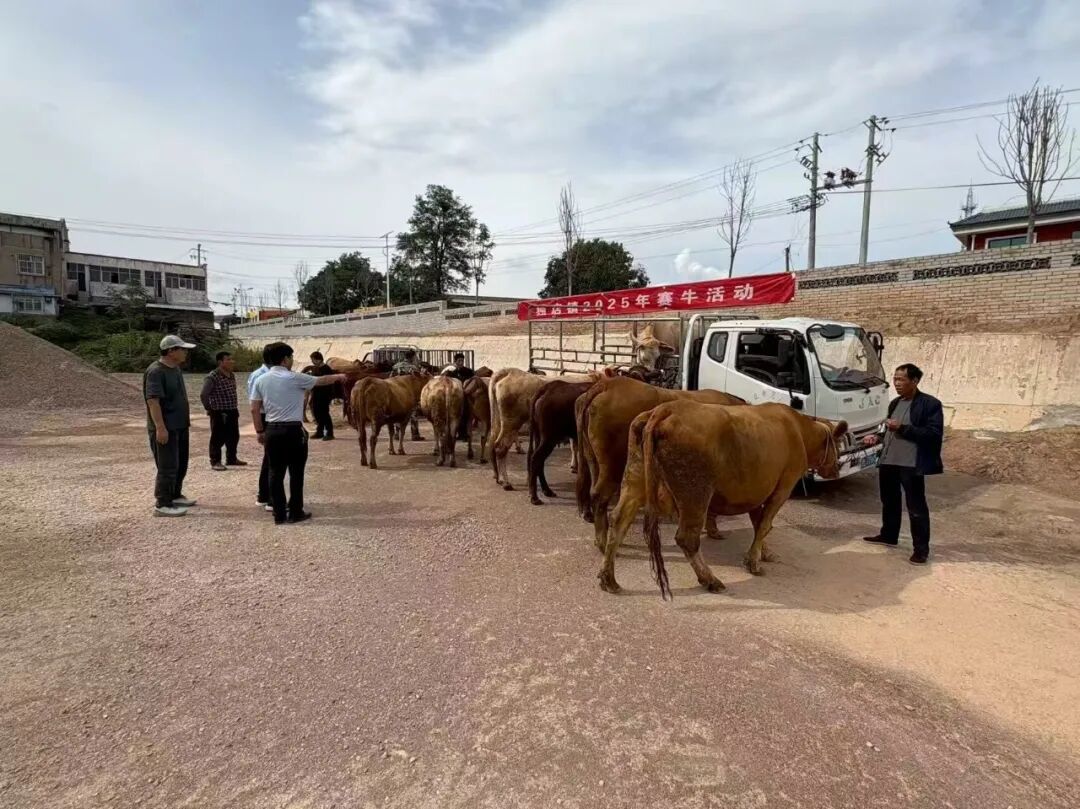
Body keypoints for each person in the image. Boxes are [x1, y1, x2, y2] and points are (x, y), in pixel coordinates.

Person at [250, 342, 346, 525]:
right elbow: (321, 380)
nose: (292, 360)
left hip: (272, 430)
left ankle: (279, 514)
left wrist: (260, 431)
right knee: (296, 473)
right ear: (285, 359)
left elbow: (254, 409)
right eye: (291, 357)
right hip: (293, 431)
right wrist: (339, 376)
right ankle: (295, 512)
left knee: (275, 473)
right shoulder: (295, 378)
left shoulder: (260, 380)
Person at [862, 363, 944, 565]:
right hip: (889, 460)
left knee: (916, 507)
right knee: (889, 501)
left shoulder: (930, 404)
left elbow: (933, 434)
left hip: (911, 464)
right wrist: (877, 437)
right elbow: (889, 430)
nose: (896, 383)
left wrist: (903, 428)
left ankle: (921, 550)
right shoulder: (895, 403)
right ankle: (889, 536)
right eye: (895, 379)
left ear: (914, 381)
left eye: (901, 379)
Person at [144, 335, 197, 517]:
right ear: (171, 351)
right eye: (182, 349)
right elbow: (153, 401)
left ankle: (175, 494)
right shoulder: (156, 372)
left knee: (180, 463)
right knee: (167, 466)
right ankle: (163, 503)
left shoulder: (175, 369)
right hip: (166, 427)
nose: (185, 353)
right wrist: (160, 427)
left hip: (180, 425)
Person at [200, 351, 246, 471]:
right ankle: (215, 461)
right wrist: (209, 409)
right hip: (219, 412)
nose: (232, 361)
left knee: (234, 436)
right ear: (220, 362)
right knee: (217, 437)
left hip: (232, 410)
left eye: (232, 359)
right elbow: (204, 394)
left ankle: (231, 458)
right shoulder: (212, 376)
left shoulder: (231, 375)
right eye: (228, 359)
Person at [248, 347, 273, 510]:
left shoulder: (261, 374)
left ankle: (264, 495)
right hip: (266, 417)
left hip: (267, 416)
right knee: (271, 458)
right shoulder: (260, 376)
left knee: (269, 458)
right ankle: (268, 497)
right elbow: (255, 406)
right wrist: (259, 430)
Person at [390, 350, 424, 440]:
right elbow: (417, 382)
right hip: (409, 394)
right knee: (413, 413)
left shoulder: (396, 366)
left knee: (398, 413)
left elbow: (390, 379)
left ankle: (397, 433)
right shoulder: (413, 368)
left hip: (397, 393)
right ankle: (415, 435)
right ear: (412, 357)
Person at [307, 351, 337, 440]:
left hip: (324, 395)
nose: (312, 362)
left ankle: (330, 433)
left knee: (324, 414)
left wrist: (329, 396)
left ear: (319, 359)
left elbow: (330, 383)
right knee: (317, 413)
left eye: (313, 360)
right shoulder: (315, 368)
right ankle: (319, 432)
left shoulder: (327, 369)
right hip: (316, 394)